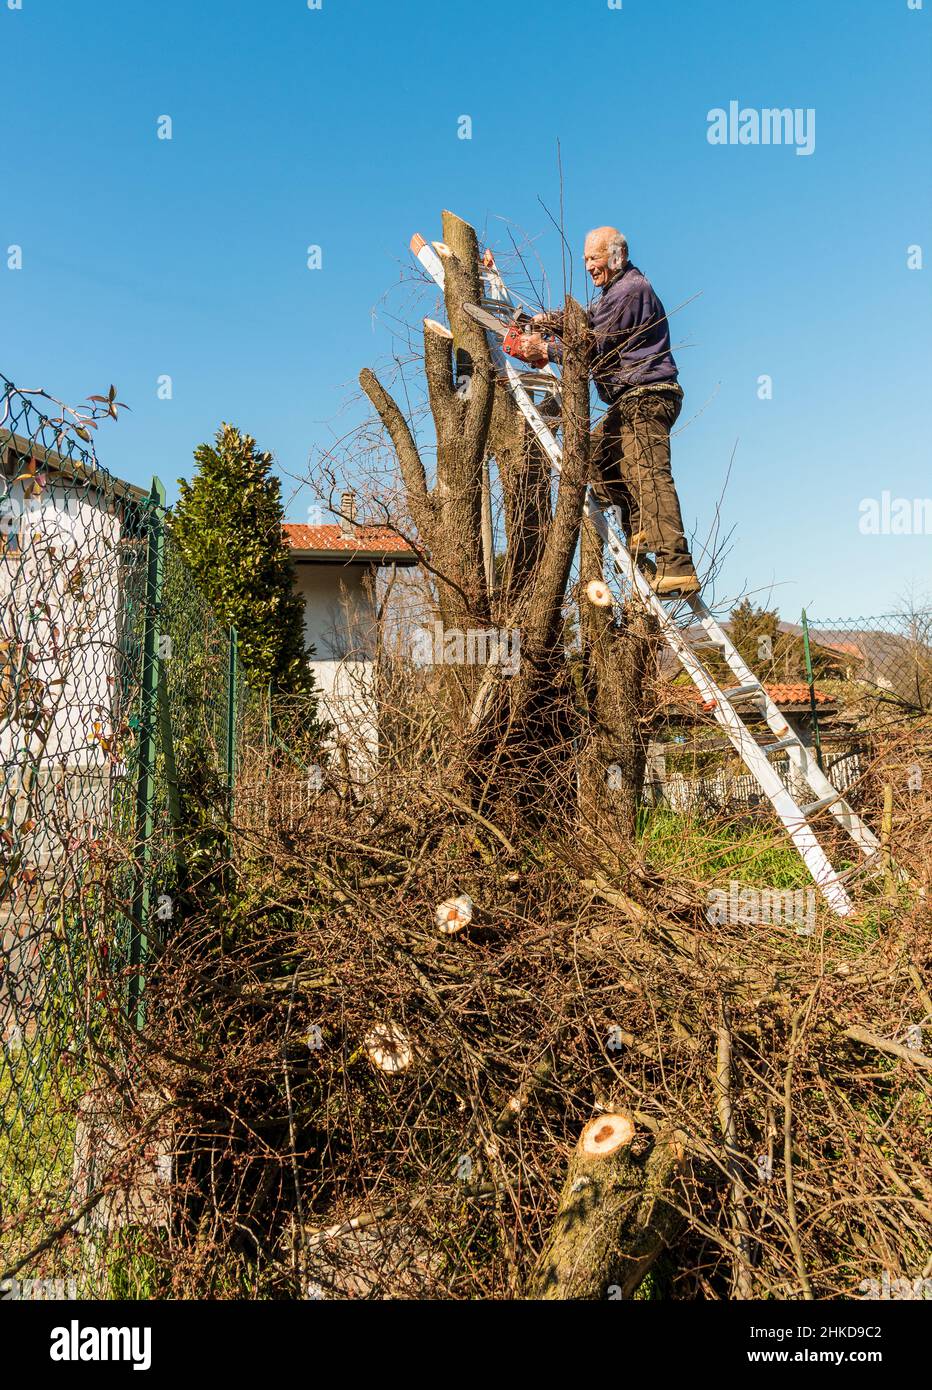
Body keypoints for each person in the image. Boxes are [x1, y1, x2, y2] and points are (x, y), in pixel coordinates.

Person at [520, 226, 700, 596]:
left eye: (594, 258)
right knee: (595, 456)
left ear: (616, 257)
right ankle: (640, 527)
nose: (588, 266)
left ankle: (677, 566)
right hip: (627, 400)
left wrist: (544, 349)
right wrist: (542, 322)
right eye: (585, 259)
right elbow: (585, 321)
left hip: (648, 395)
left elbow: (588, 345)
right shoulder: (611, 295)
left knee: (649, 474)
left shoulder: (630, 290)